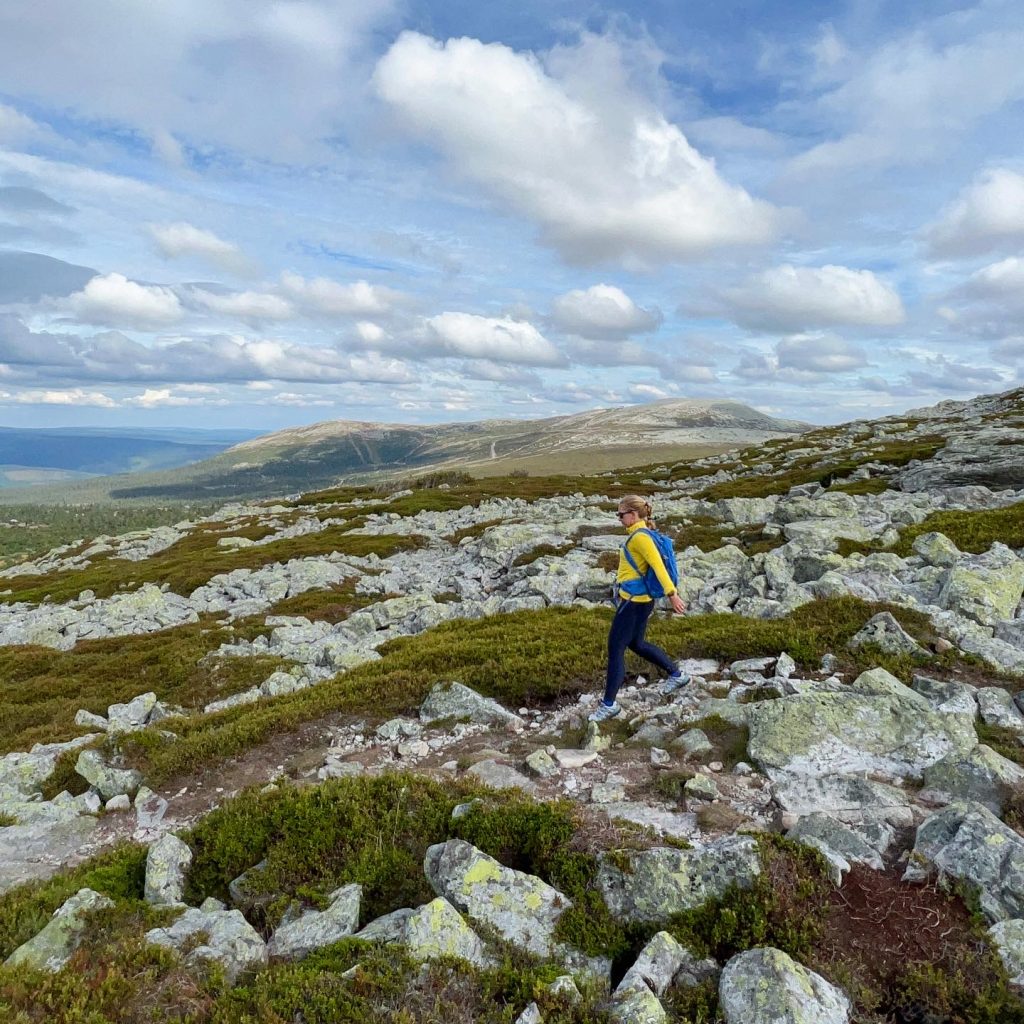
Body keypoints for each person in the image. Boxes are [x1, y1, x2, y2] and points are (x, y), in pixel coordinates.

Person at [589, 494, 689, 722]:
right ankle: (676, 674)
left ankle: (608, 705)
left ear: (633, 515)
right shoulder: (641, 534)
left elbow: (658, 567)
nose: (619, 519)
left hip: (634, 603)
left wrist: (672, 595)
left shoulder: (640, 538)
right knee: (636, 643)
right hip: (639, 601)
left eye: (621, 515)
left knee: (615, 649)